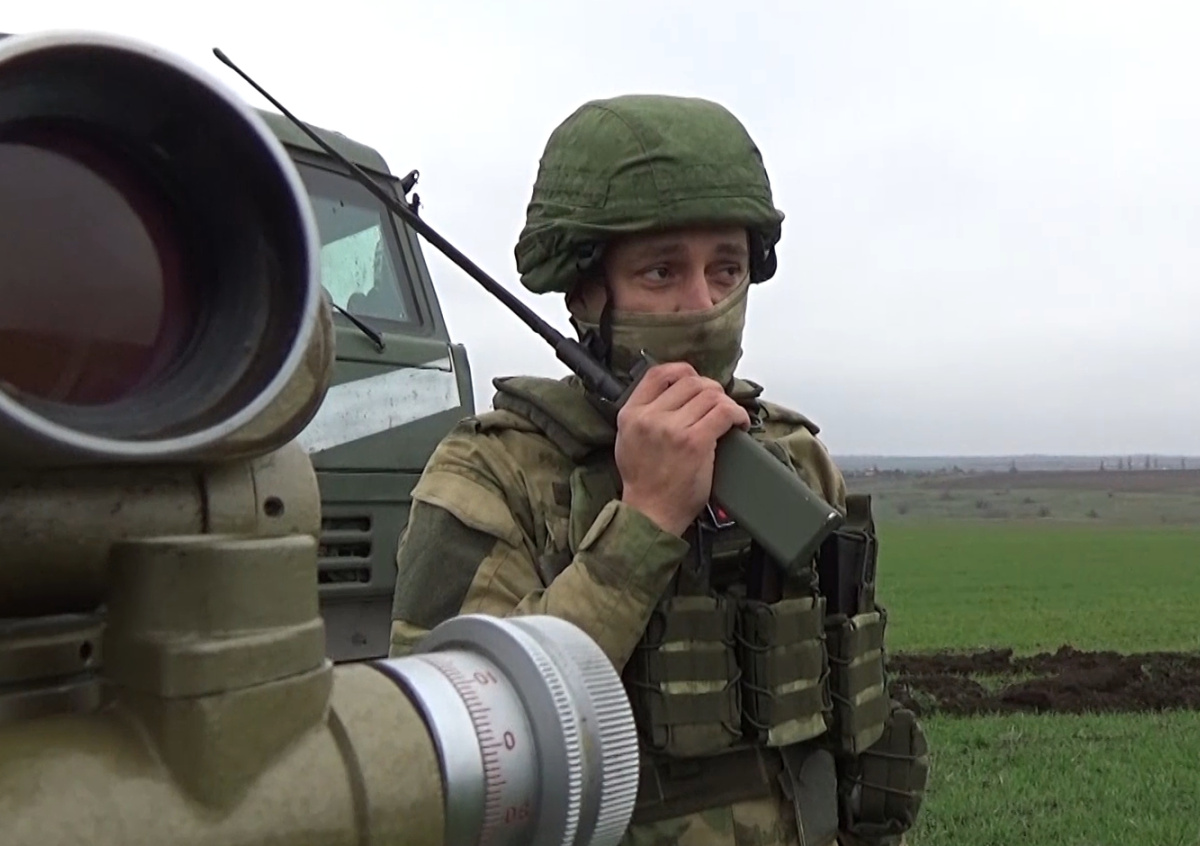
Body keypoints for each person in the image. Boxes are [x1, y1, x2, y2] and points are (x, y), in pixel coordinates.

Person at [388, 94, 929, 846]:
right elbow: (441, 756)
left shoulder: (793, 458)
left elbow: (845, 716)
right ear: (585, 293)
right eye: (661, 272)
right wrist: (642, 523)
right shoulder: (492, 475)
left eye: (726, 269)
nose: (702, 305)